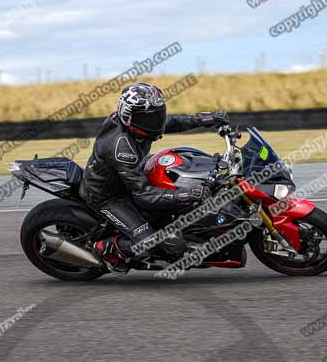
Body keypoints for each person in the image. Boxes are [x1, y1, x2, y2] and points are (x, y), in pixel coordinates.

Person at [79, 82, 229, 271]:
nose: (157, 121)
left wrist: (206, 119)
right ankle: (101, 249)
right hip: (108, 197)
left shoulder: (136, 122)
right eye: (151, 118)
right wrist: (188, 194)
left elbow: (170, 122)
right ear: (130, 117)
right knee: (150, 242)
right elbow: (144, 196)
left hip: (131, 174)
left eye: (158, 114)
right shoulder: (122, 148)